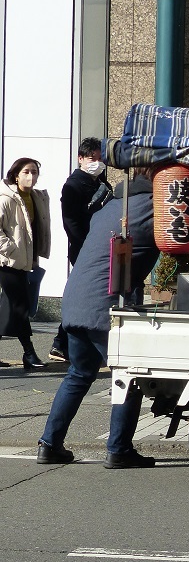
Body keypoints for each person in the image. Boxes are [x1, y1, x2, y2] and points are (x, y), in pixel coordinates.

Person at [37, 167, 160, 468]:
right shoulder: (151, 209)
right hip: (104, 307)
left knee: (79, 374)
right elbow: (188, 227)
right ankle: (118, 449)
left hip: (75, 302)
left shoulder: (112, 205)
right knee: (128, 377)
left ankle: (49, 445)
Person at [49, 137, 110, 362]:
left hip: (99, 247)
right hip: (85, 248)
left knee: (84, 295)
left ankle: (61, 343)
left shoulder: (101, 182)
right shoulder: (73, 185)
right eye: (92, 158)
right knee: (81, 295)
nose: (96, 162)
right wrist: (85, 245)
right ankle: (60, 343)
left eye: (100, 158)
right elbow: (71, 222)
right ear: (80, 159)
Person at [0, 157, 51, 369]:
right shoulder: (7, 198)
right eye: (27, 172)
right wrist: (9, 249)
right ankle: (29, 353)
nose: (31, 176)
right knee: (20, 306)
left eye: (34, 172)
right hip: (6, 261)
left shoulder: (36, 197)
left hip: (24, 261)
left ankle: (28, 354)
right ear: (16, 174)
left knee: (8, 308)